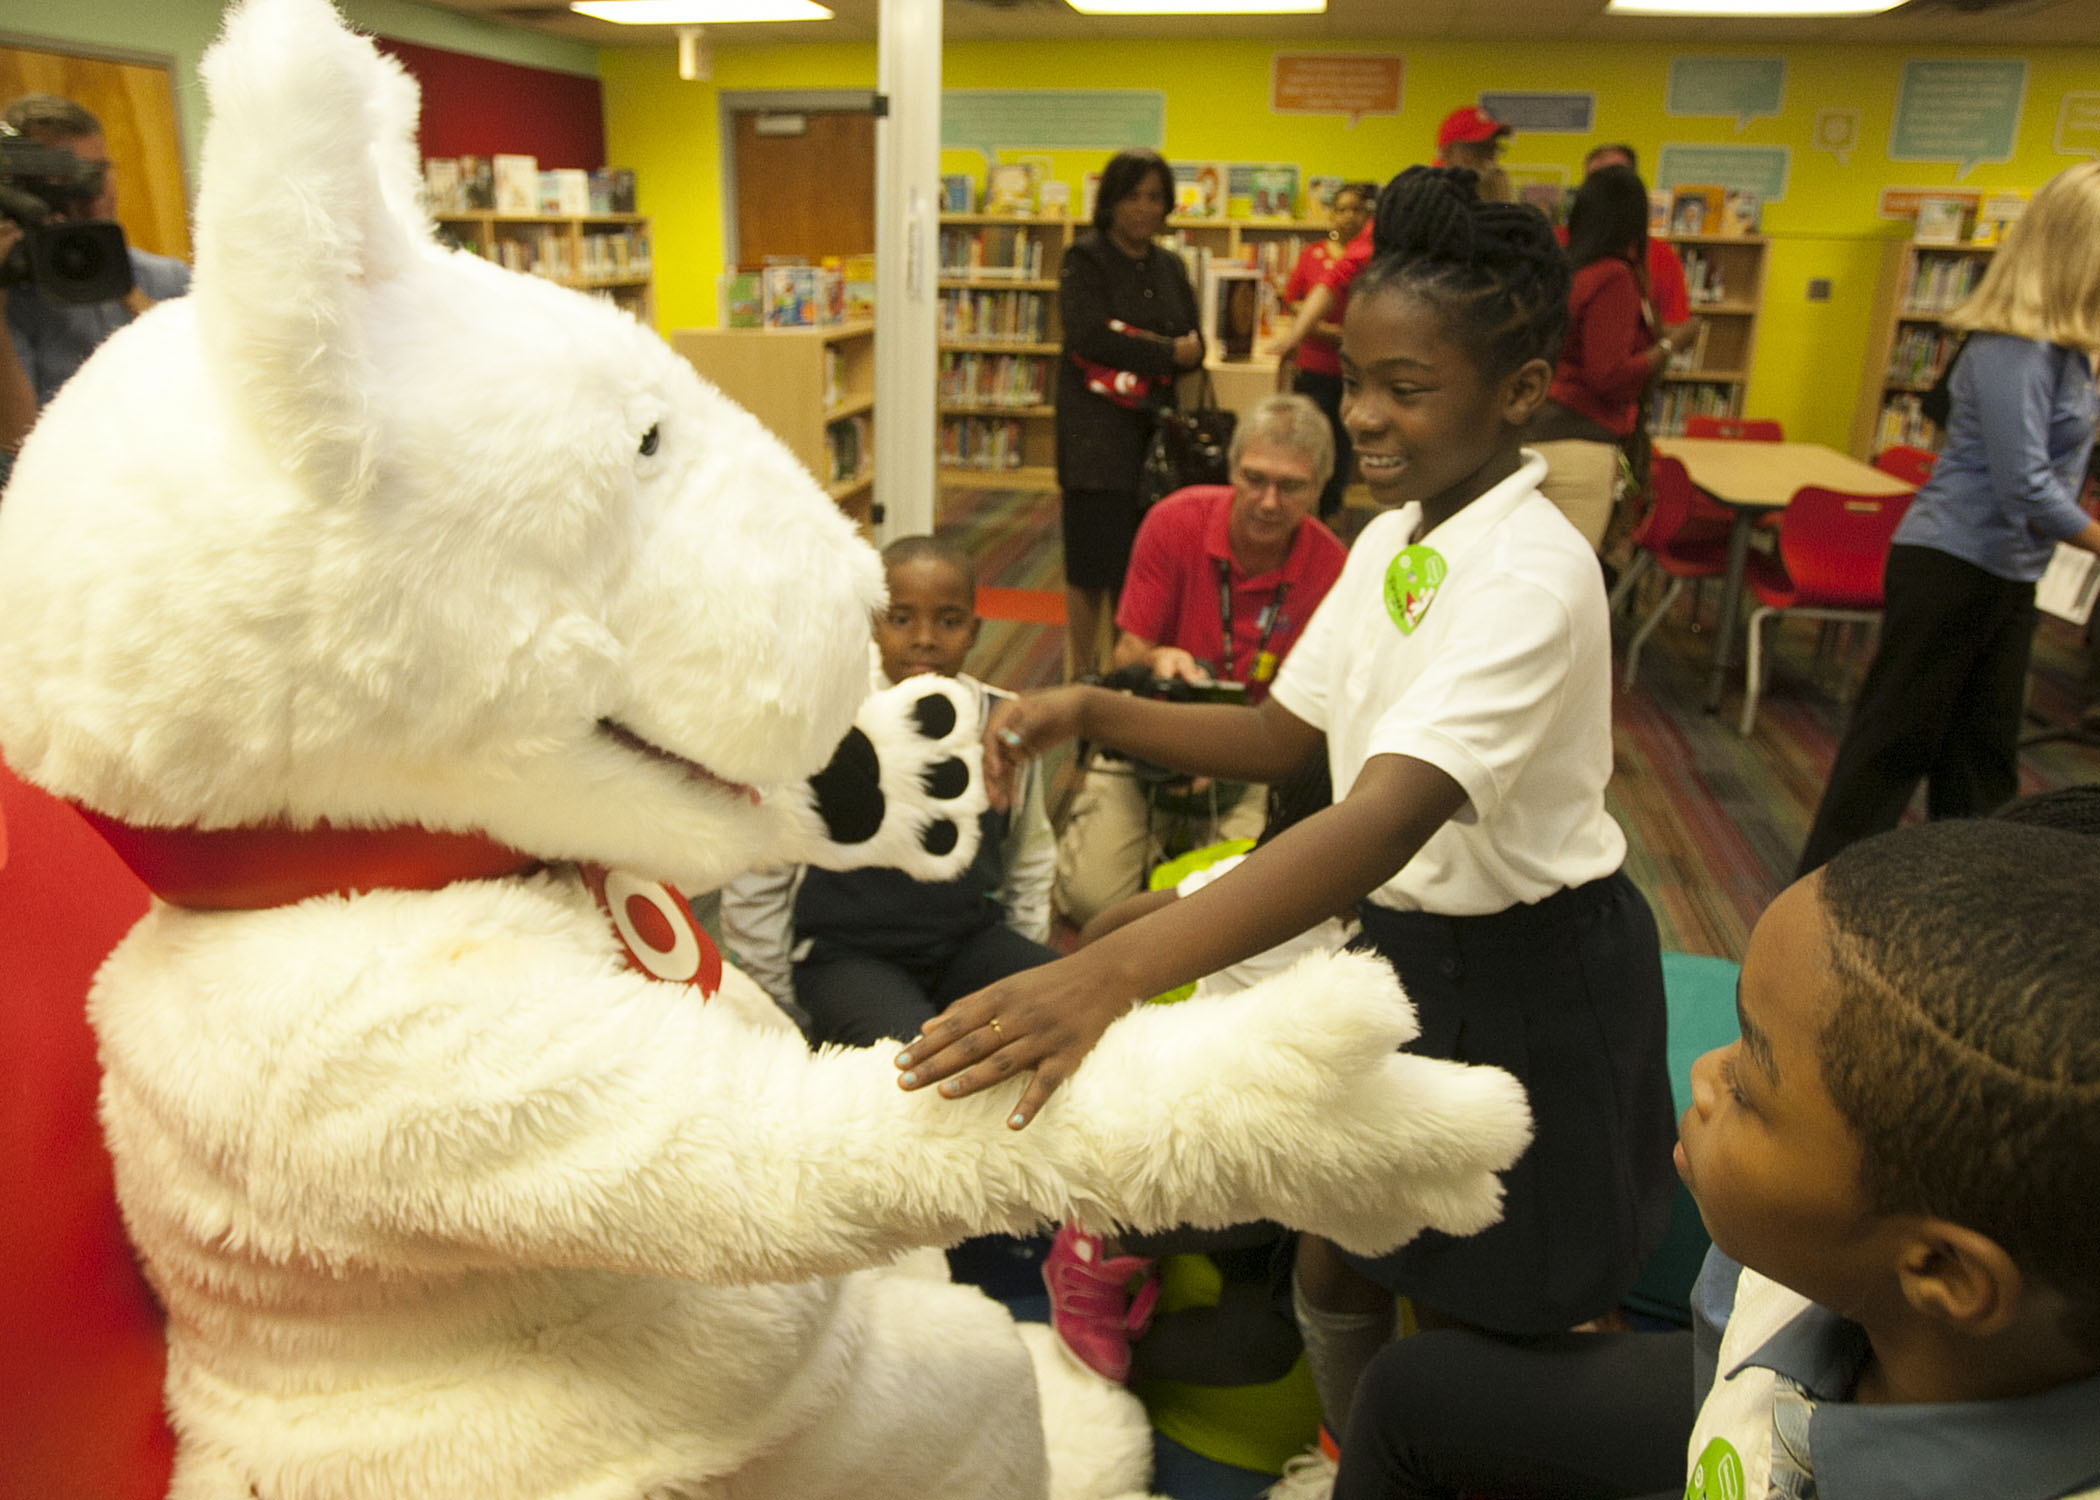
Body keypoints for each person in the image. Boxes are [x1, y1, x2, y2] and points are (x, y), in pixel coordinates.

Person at [898, 166, 1675, 1494]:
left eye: (1406, 388)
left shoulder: (1533, 574)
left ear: (1521, 387)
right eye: (1354, 378)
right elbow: (1282, 738)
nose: (1362, 416)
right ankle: (1358, 1451)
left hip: (1536, 973)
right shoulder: (1390, 540)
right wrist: (1096, 699)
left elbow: (1379, 820)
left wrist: (1107, 969)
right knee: (1346, 1235)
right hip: (1403, 949)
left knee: (1523, 1288)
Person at [1332, 814, 2100, 1500]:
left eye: (1751, 1085)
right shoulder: (1790, 1271)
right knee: (1408, 1392)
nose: (1703, 1074)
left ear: (1943, 1271)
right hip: (1751, 1409)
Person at [1796, 160, 2100, 877]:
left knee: (1981, 753)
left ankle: (1960, 900)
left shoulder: (2070, 352)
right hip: (1951, 565)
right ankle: (1824, 890)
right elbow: (2023, 482)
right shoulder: (2012, 347)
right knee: (1894, 741)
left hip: (2007, 572)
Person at [718, 535, 1056, 1047]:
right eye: (900, 619)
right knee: (910, 1056)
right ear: (871, 623)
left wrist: (1022, 959)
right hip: (847, 956)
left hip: (968, 942)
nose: (924, 638)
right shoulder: (823, 722)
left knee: (1059, 1001)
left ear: (975, 631)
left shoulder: (1001, 723)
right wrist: (776, 1001)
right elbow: (759, 873)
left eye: (948, 620)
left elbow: (1028, 853)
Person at [1051, 393, 1347, 928]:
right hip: (1152, 736)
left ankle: (1183, 856)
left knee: (1243, 917)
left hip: (1253, 760)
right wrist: (1160, 658)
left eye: (1291, 486)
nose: (1268, 501)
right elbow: (1128, 652)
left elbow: (1317, 710)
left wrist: (1228, 754)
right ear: (1231, 468)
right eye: (1254, 478)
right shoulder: (1173, 522)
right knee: (1088, 902)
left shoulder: (1334, 567)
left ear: (1321, 487)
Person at [1054, 146, 1205, 678]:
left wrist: (1171, 349)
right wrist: (1165, 352)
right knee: (1091, 562)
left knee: (1142, 562)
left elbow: (1195, 340)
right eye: (1133, 195)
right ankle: (1080, 670)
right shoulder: (1085, 259)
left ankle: (1126, 671)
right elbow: (1089, 334)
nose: (1144, 207)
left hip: (1154, 434)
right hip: (1095, 436)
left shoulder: (1170, 265)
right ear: (1111, 201)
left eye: (1155, 197)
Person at [2, 94, 190, 487]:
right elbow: (17, 452)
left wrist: (126, 289)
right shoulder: (13, 299)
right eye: (63, 180)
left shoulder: (167, 280)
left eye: (97, 172)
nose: (90, 193)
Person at [1524, 164, 1685, 549]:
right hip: (1580, 443)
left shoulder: (1565, 270)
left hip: (1537, 431)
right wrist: (1667, 348)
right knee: (1567, 576)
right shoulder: (1613, 278)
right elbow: (1607, 376)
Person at [1280, 182, 1377, 519]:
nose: (1349, 216)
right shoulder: (1312, 255)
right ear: (1331, 215)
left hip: (1353, 369)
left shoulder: (1372, 261)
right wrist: (1320, 329)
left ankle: (1332, 514)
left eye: (1357, 210)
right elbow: (1291, 300)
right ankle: (1304, 512)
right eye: (1342, 209)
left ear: (1367, 217)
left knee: (1343, 446)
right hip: (1312, 367)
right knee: (1308, 443)